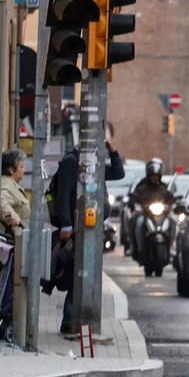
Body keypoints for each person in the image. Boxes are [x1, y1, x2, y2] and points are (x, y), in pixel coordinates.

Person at [45, 139, 125, 336]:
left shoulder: (92, 165)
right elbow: (64, 195)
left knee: (82, 272)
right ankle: (71, 319)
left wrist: (113, 150)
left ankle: (73, 320)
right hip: (75, 229)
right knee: (77, 273)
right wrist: (66, 225)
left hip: (90, 228)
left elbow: (118, 172)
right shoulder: (71, 162)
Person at [0, 149, 32, 338]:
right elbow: (2, 203)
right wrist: (14, 219)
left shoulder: (11, 184)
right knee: (10, 287)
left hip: (19, 243)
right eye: (21, 166)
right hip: (14, 243)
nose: (24, 170)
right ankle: (7, 326)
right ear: (11, 169)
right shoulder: (6, 185)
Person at [126, 159, 177, 258]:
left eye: (156, 176)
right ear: (149, 176)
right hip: (145, 214)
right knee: (137, 221)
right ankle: (134, 245)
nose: (154, 178)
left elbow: (171, 198)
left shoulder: (163, 188)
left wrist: (171, 205)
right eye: (152, 176)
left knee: (173, 222)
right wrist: (135, 205)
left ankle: (171, 246)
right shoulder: (141, 188)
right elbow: (133, 198)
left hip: (162, 214)